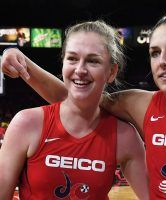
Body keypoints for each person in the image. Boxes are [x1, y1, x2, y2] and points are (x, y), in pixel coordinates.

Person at [2, 10, 166, 199]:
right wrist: (22, 62)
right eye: (155, 52)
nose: (163, 60)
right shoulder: (140, 104)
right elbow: (77, 98)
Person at [0, 20, 149, 199]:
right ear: (63, 64)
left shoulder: (125, 137)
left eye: (93, 61)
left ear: (111, 72)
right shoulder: (26, 124)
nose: (80, 70)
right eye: (72, 58)